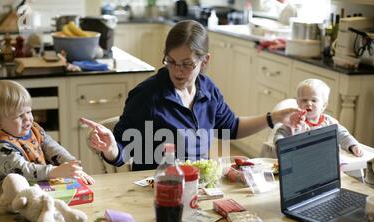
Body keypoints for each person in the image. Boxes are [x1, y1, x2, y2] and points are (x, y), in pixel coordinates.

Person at [79, 20, 302, 171]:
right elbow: (124, 150)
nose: (177, 71)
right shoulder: (147, 96)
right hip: (157, 188)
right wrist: (110, 148)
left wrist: (274, 117)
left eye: (187, 64)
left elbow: (231, 127)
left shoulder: (207, 90)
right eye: (171, 62)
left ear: (204, 61)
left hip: (198, 184)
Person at [0, 80, 95, 184]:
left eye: (28, 112)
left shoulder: (33, 129)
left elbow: (52, 147)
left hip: (38, 184)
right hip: (7, 193)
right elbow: (22, 170)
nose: (27, 119)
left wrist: (71, 164)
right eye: (19, 116)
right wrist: (54, 171)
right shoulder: (0, 145)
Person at [274, 78, 363, 157]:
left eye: (314, 100)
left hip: (322, 161)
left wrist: (353, 146)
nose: (309, 103)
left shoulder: (330, 123)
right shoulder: (294, 122)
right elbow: (280, 133)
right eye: (304, 100)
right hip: (299, 159)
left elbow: (343, 135)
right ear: (298, 103)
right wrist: (280, 144)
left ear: (323, 106)